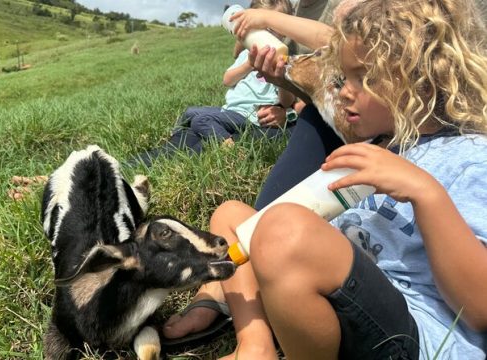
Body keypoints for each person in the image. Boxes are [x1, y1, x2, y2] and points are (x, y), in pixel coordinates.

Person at [165, 0, 487, 359]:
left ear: (423, 80)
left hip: (408, 334)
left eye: (363, 77)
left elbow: (479, 308)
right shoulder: (378, 142)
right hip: (333, 298)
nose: (344, 91)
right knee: (230, 217)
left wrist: (427, 195)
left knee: (284, 230)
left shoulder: (470, 158)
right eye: (343, 77)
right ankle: (255, 345)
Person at [126, 0, 297, 168]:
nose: (268, 37)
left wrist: (280, 79)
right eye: (263, 30)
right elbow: (227, 80)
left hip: (250, 116)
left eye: (275, 31)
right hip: (230, 110)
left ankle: (229, 148)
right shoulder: (246, 55)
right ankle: (176, 136)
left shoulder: (284, 61)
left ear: (285, 31)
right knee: (190, 112)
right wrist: (249, 65)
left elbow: (287, 102)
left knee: (201, 120)